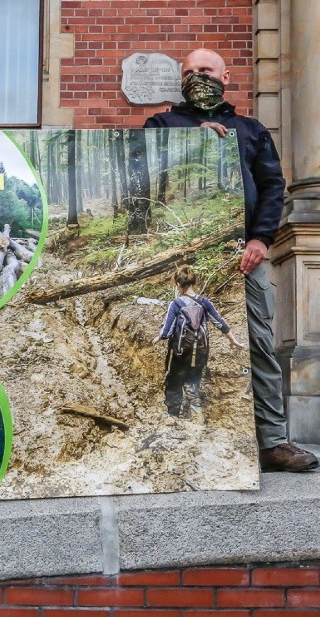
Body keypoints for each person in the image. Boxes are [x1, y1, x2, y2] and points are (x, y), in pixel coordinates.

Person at [144, 48, 318, 472]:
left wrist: (261, 239)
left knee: (259, 343)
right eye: (188, 72)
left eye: (205, 70)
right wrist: (190, 146)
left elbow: (273, 186)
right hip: (180, 257)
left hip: (243, 254)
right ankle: (168, 432)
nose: (196, 76)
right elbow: (142, 172)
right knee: (171, 343)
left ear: (226, 75)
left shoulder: (251, 129)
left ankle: (273, 442)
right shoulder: (161, 125)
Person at [152, 265, 244, 417]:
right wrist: (234, 340)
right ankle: (197, 418)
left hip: (180, 353)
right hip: (201, 352)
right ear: (194, 283)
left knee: (174, 383)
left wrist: (157, 338)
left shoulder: (176, 304)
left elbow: (167, 332)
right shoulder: (204, 302)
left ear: (177, 284)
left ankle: (172, 418)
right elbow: (220, 323)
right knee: (193, 382)